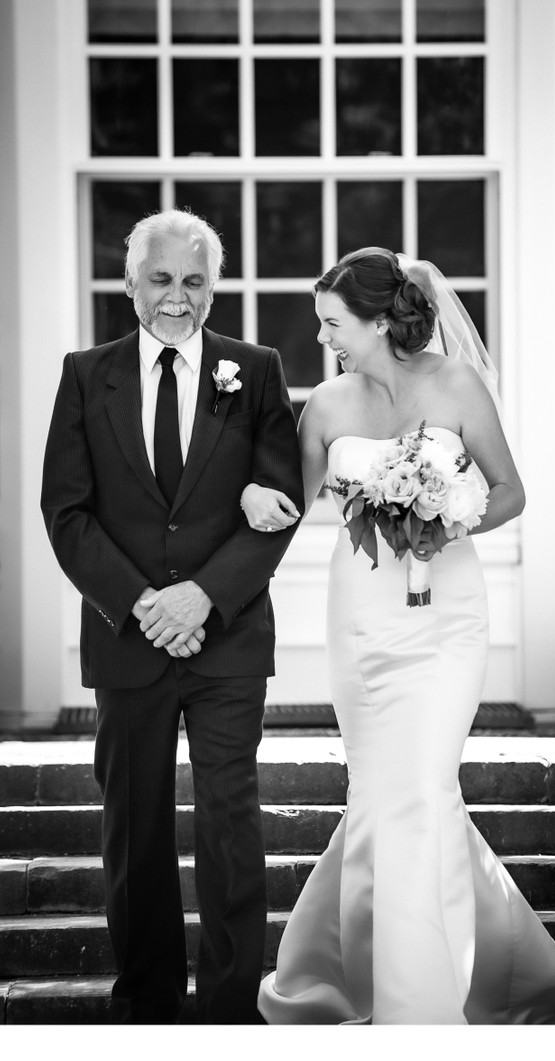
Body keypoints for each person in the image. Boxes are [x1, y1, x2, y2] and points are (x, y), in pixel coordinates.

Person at [240, 247, 555, 1026]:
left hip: (446, 616)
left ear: (380, 320)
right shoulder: (325, 408)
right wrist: (253, 498)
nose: (324, 339)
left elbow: (511, 489)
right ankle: (392, 976)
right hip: (362, 621)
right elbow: (287, 505)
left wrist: (446, 515)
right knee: (386, 795)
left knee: (417, 789)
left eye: (333, 323)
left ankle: (417, 1009)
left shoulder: (455, 383)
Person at [41, 209, 304, 1024]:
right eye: (162, 280)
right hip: (129, 641)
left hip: (227, 642)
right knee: (135, 827)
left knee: (232, 824)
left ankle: (230, 1010)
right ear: (132, 285)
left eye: (194, 282)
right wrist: (143, 603)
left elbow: (279, 504)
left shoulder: (254, 370)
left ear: (213, 289)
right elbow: (67, 512)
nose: (178, 298)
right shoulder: (87, 374)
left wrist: (204, 596)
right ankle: (147, 1004)